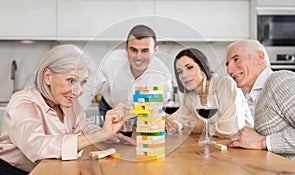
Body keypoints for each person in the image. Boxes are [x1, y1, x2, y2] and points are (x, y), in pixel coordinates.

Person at [0, 44, 132, 174]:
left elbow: (84, 127)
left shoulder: (69, 103)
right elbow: (36, 147)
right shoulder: (23, 103)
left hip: (50, 168)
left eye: (82, 82)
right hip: (14, 170)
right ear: (48, 77)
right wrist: (99, 135)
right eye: (71, 80)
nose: (79, 91)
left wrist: (108, 135)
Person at [226, 39, 295, 163]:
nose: (229, 70)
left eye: (236, 59)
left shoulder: (279, 81)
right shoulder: (258, 96)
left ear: (260, 57)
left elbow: (263, 142)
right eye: (227, 64)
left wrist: (263, 141)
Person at [79, 24, 173, 118]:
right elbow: (90, 88)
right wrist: (77, 114)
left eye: (145, 51)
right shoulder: (112, 61)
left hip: (142, 113)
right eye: (133, 50)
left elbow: (161, 106)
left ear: (155, 50)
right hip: (110, 109)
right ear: (126, 48)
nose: (138, 57)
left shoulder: (162, 75)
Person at [166, 48, 253, 138]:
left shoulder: (225, 84)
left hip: (244, 145)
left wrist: (203, 128)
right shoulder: (190, 94)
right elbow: (184, 120)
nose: (184, 75)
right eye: (180, 72)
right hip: (216, 144)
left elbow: (232, 129)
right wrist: (174, 125)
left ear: (202, 68)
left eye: (189, 67)